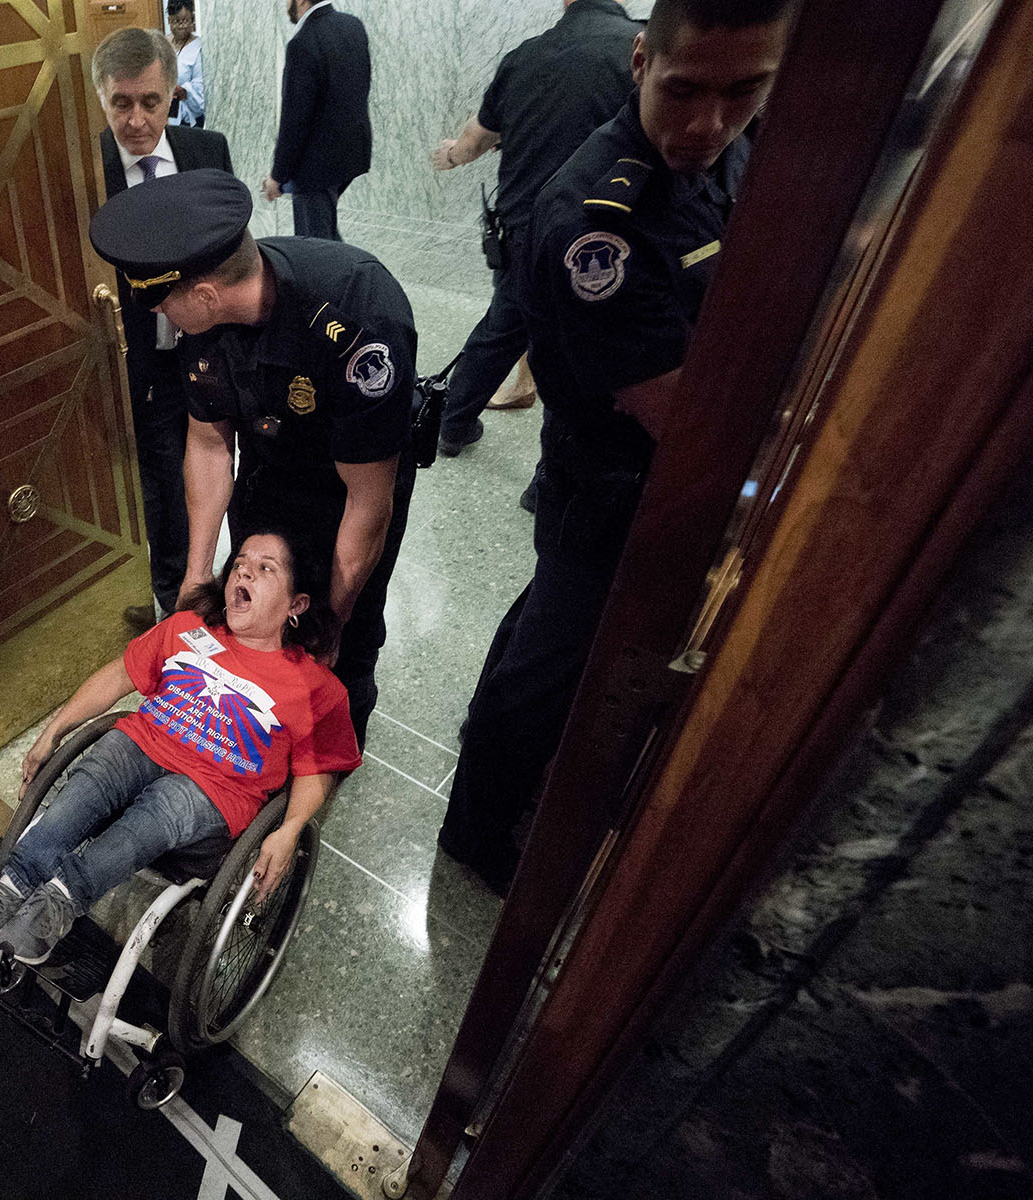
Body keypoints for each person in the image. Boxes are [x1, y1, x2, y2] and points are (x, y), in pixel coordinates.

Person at [437, 0, 793, 895]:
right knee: (549, 668)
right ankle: (478, 835)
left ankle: (490, 772)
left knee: (538, 641)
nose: (710, 123)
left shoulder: (725, 150)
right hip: (606, 489)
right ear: (641, 61)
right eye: (685, 92)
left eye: (744, 91)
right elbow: (681, 417)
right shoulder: (595, 225)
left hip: (640, 488)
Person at [91, 169, 417, 747]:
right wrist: (195, 578)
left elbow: (370, 500)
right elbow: (209, 442)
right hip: (268, 478)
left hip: (348, 496)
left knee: (343, 644)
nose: (162, 318)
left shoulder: (359, 314)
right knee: (250, 622)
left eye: (164, 305)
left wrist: (331, 619)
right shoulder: (207, 313)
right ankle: (257, 749)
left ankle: (332, 753)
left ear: (206, 295)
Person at [0, 530, 359, 964]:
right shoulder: (187, 628)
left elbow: (316, 771)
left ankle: (59, 903)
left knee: (168, 802)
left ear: (297, 605)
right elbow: (118, 676)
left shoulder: (315, 689)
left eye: (265, 568)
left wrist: (289, 831)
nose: (245, 569)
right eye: (240, 562)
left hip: (212, 794)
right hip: (142, 747)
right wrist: (54, 730)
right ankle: (9, 886)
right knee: (103, 765)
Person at [429, 0, 642, 457]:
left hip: (524, 227)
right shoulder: (639, 50)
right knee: (580, 349)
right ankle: (547, 477)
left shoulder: (524, 56)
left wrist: (450, 154)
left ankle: (452, 423)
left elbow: (474, 141)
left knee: (503, 326)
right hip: (602, 232)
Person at [93, 27, 234, 630]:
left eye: (150, 102)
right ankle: (171, 606)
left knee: (221, 460)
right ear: (102, 98)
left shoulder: (207, 151)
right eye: (121, 103)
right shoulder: (88, 167)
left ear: (172, 94)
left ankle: (229, 581)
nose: (136, 120)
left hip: (211, 346)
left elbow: (231, 245)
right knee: (161, 480)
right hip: (142, 359)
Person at [261, 0, 373, 242]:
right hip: (352, 155)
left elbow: (295, 121)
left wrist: (277, 177)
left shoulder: (303, 42)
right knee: (326, 235)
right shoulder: (353, 26)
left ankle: (347, 278)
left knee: (315, 248)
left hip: (316, 168)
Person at [167, 0, 206, 128]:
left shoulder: (198, 47)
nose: (181, 26)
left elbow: (200, 93)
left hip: (188, 121)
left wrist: (183, 91)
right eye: (176, 21)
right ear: (169, 21)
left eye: (185, 21)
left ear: (192, 19)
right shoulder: (163, 43)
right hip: (165, 116)